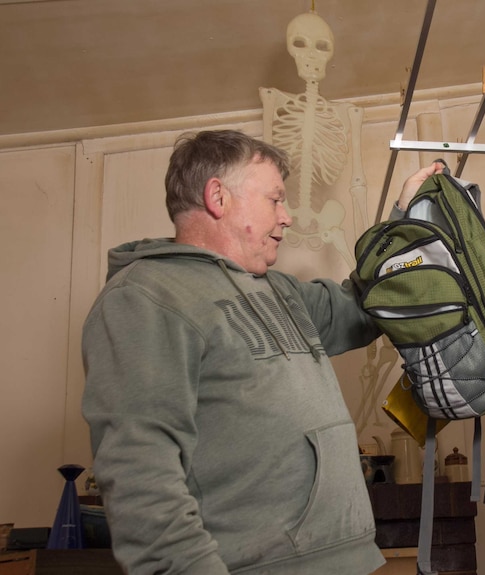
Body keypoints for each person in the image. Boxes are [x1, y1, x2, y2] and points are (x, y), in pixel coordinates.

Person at [81, 129, 444, 575]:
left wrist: (404, 215)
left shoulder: (279, 290)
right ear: (218, 196)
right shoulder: (145, 298)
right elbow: (140, 472)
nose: (287, 217)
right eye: (275, 200)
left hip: (348, 558)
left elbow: (364, 305)